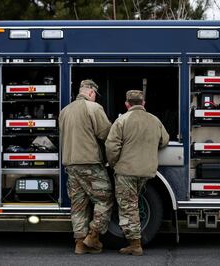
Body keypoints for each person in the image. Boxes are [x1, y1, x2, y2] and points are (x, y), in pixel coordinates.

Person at [105, 90, 169, 256]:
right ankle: (135, 240)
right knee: (134, 202)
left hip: (126, 171)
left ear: (127, 104)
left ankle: (135, 244)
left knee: (128, 207)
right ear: (143, 103)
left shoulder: (122, 120)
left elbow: (111, 147)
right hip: (146, 171)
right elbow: (165, 140)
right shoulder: (154, 120)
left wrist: (114, 164)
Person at [59, 79, 113, 254]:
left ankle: (80, 243)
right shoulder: (94, 108)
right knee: (104, 199)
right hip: (90, 164)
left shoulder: (65, 111)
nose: (95, 98)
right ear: (91, 92)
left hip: (71, 164)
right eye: (95, 95)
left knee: (78, 205)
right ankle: (93, 236)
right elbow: (106, 134)